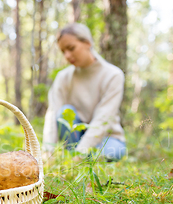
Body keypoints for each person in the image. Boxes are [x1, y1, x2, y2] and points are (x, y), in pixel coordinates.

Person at [42, 23, 126, 161]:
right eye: (63, 51)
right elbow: (53, 114)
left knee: (112, 151)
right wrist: (48, 151)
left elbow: (103, 119)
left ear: (87, 42)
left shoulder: (113, 75)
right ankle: (75, 157)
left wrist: (80, 154)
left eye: (71, 48)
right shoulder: (63, 77)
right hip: (74, 139)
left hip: (107, 139)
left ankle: (78, 159)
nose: (67, 55)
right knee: (65, 111)